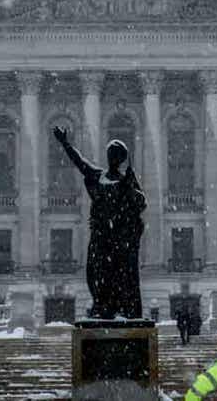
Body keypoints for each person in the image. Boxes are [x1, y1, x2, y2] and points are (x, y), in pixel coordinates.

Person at [53, 126, 147, 319]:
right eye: (110, 153)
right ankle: (102, 305)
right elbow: (80, 162)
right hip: (100, 235)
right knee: (94, 272)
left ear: (120, 159)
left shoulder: (126, 181)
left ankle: (117, 308)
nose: (111, 157)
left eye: (115, 154)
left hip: (119, 239)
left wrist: (130, 186)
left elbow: (141, 203)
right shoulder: (98, 176)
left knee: (119, 276)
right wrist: (65, 143)